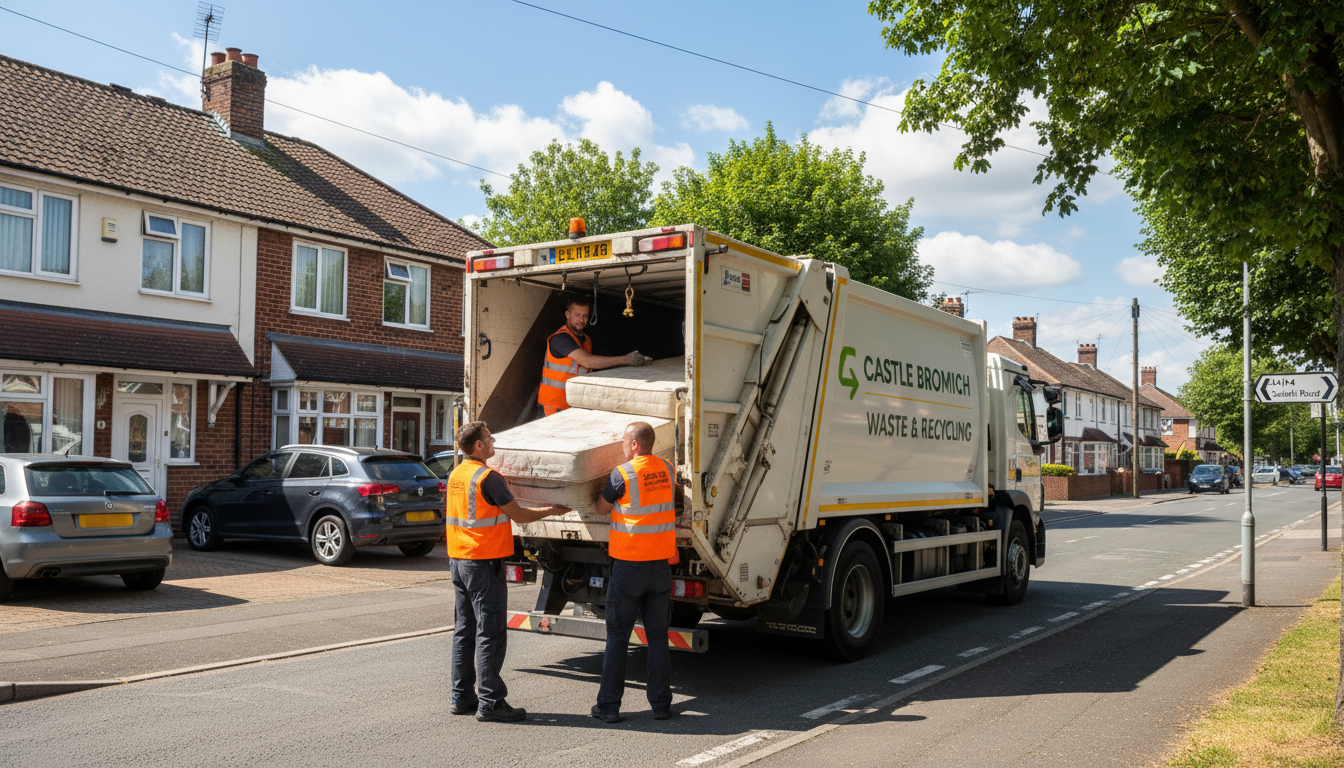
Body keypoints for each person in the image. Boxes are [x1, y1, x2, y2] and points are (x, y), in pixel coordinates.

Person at [447, 420, 569, 723]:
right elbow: (520, 515)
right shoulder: (488, 478)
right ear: (478, 446)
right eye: (489, 439)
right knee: (490, 632)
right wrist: (553, 510)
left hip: (459, 561)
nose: (493, 444)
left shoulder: (456, 474)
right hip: (483, 564)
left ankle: (462, 697)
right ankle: (490, 701)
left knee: (465, 630)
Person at [591, 421, 679, 723]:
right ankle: (661, 705)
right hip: (659, 568)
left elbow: (602, 508)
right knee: (657, 637)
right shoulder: (667, 469)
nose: (621, 447)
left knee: (617, 637)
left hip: (629, 568)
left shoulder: (623, 473)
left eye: (623, 442)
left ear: (634, 445)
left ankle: (609, 707)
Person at [539, 295, 647, 416]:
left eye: (585, 316)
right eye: (577, 315)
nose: (581, 320)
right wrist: (625, 359)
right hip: (554, 406)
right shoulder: (560, 339)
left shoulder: (586, 340)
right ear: (567, 314)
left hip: (573, 404)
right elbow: (588, 362)